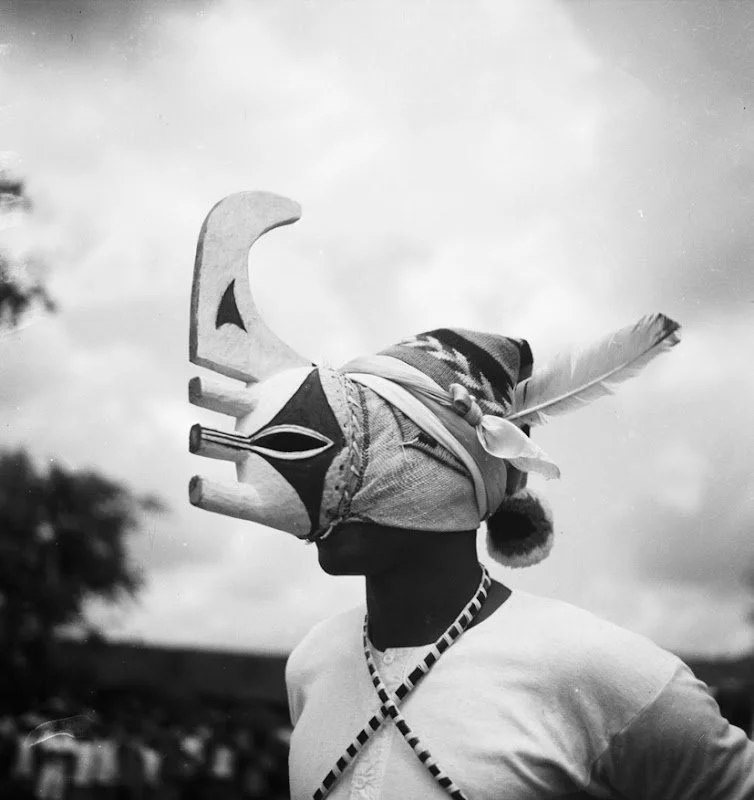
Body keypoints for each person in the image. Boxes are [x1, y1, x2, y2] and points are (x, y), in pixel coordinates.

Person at [187, 195, 754, 798]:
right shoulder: (310, 666)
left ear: (458, 482)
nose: (322, 472)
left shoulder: (611, 677)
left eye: (374, 444)